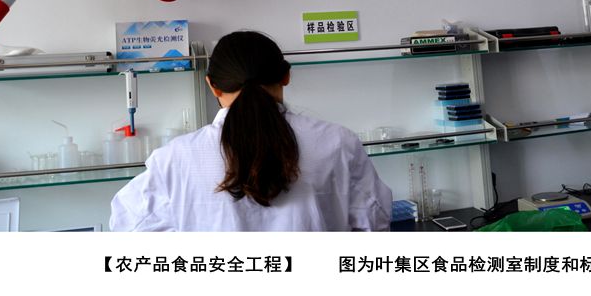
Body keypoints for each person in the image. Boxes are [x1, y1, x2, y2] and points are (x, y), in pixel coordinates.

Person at [109, 30, 392, 231]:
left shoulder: (175, 158)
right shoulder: (338, 143)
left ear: (212, 86)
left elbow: (127, 224)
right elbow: (375, 219)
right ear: (286, 76)